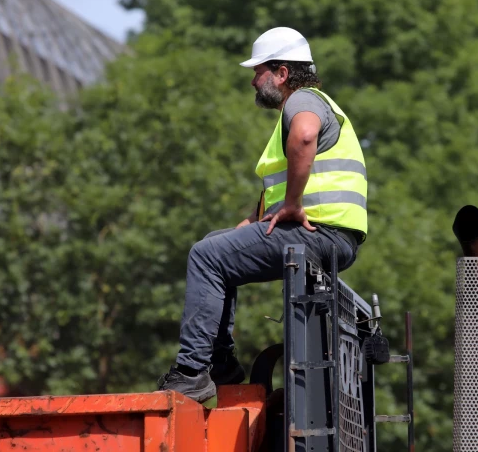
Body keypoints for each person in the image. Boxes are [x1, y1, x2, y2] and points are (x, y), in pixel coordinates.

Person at [157, 27, 368, 402]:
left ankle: (193, 371)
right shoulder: (313, 102)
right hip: (331, 235)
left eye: (260, 71)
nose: (254, 81)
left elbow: (304, 138)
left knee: (205, 257)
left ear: (282, 73)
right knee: (214, 245)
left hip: (318, 233)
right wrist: (253, 223)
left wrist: (291, 204)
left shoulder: (302, 102)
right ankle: (220, 366)